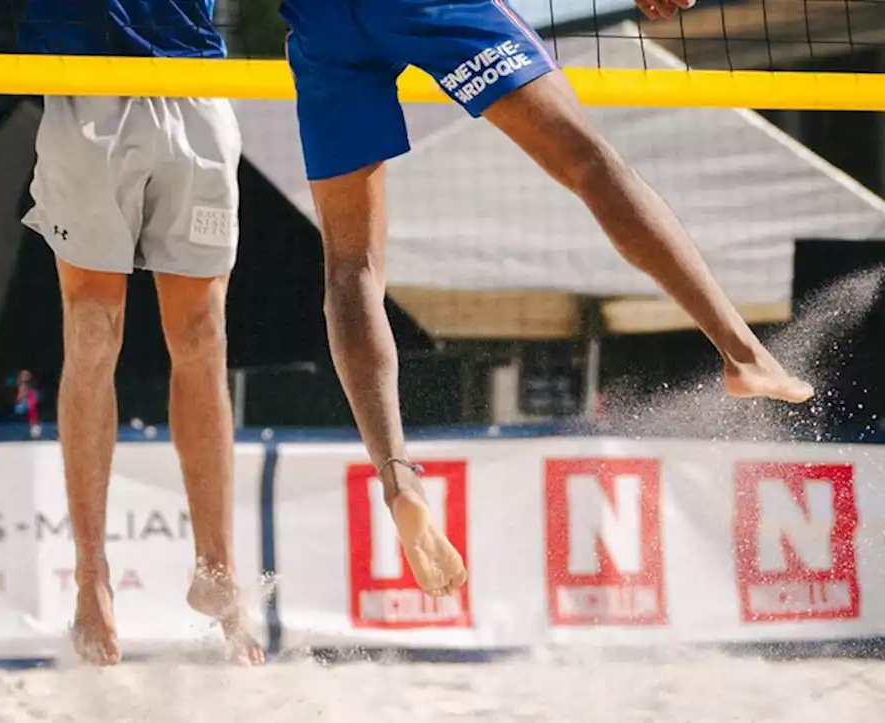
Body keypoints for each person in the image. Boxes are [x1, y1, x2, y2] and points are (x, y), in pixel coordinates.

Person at [279, 0, 814, 597]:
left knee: (352, 267)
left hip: (322, 24)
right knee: (591, 163)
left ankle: (397, 474)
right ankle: (742, 353)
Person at [18, 1, 265, 666]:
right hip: (86, 80)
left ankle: (215, 567)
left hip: (193, 81)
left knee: (201, 334)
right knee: (93, 334)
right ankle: (91, 576)